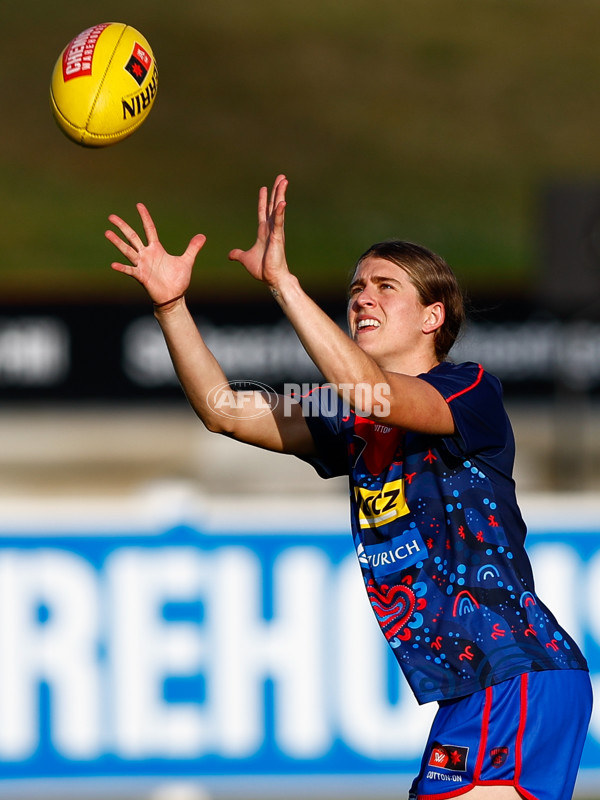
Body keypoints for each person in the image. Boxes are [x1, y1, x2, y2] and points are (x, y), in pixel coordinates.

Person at [105, 175, 592, 800]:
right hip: (478, 686)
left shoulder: (470, 392)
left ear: (432, 316)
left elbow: (377, 392)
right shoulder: (349, 421)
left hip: (517, 671)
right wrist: (171, 307)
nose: (364, 298)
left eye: (386, 287)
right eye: (357, 287)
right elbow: (224, 410)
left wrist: (284, 283)